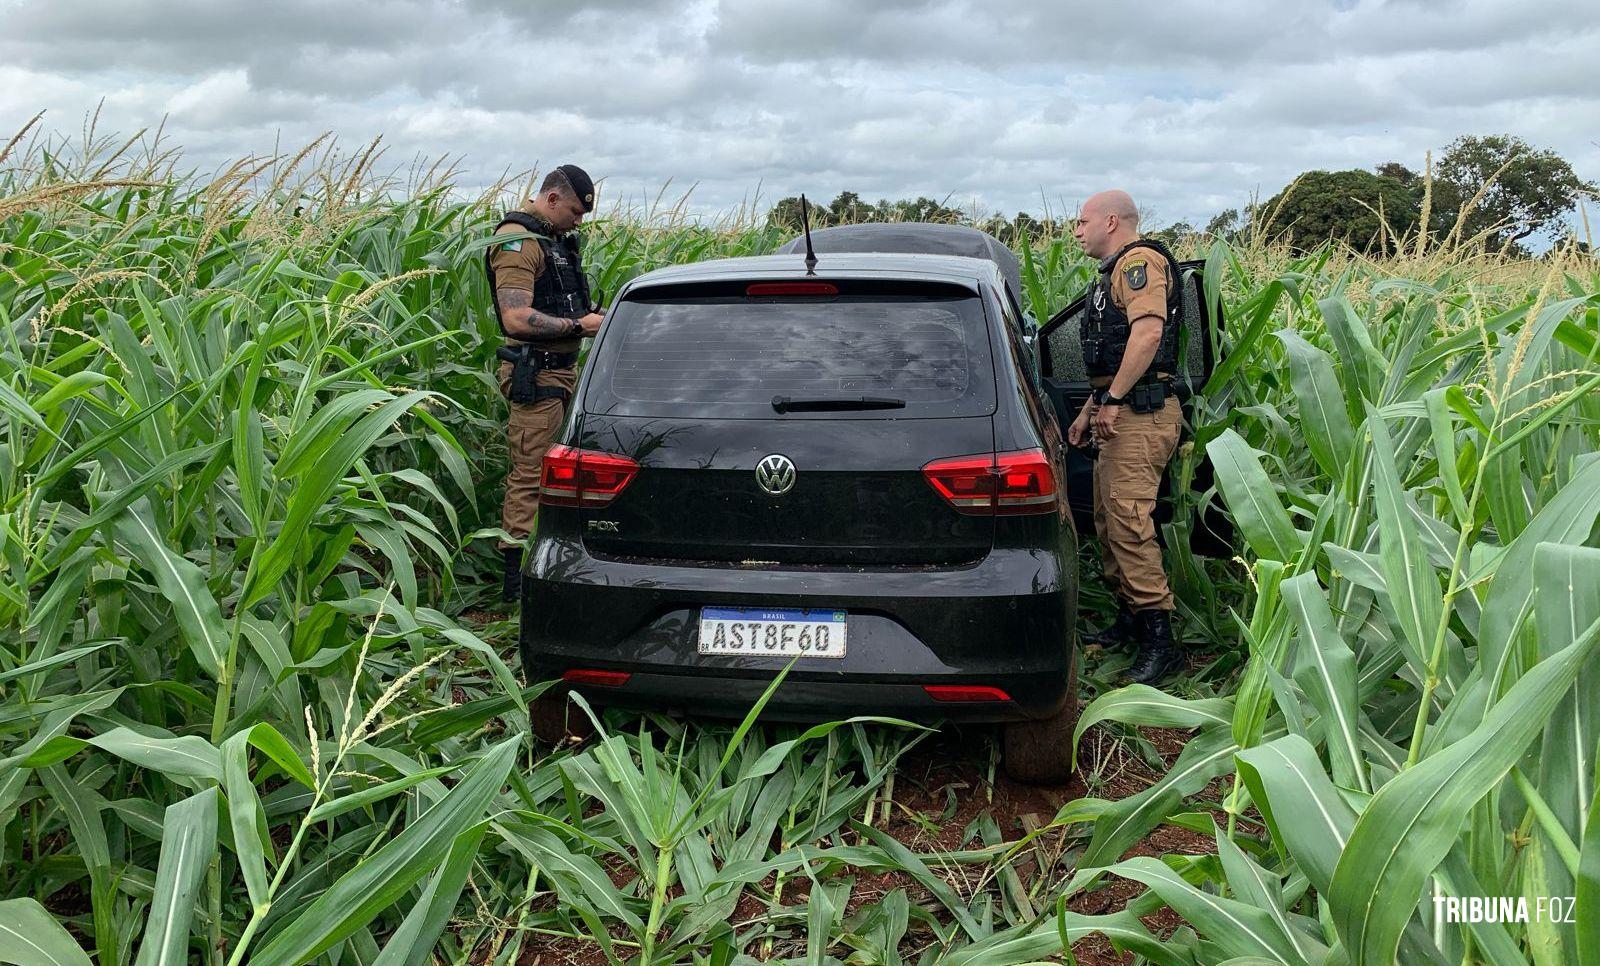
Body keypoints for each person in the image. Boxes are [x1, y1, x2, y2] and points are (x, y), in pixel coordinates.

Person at [1066, 190, 1185, 684]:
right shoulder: (1113, 271)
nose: (1076, 230)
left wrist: (1112, 401)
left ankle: (1163, 641)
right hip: (1121, 410)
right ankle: (1132, 619)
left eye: (1082, 220)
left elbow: (1147, 336)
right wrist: (1093, 405)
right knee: (1110, 520)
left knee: (1130, 521)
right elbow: (1117, 356)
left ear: (1111, 221)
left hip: (1142, 415)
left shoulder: (1139, 262)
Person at [486, 164, 604, 601]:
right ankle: (515, 589)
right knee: (531, 475)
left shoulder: (552, 243)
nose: (579, 221)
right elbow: (515, 317)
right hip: (537, 374)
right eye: (574, 211)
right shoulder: (518, 242)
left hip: (562, 372)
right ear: (552, 199)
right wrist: (579, 327)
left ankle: (554, 565)